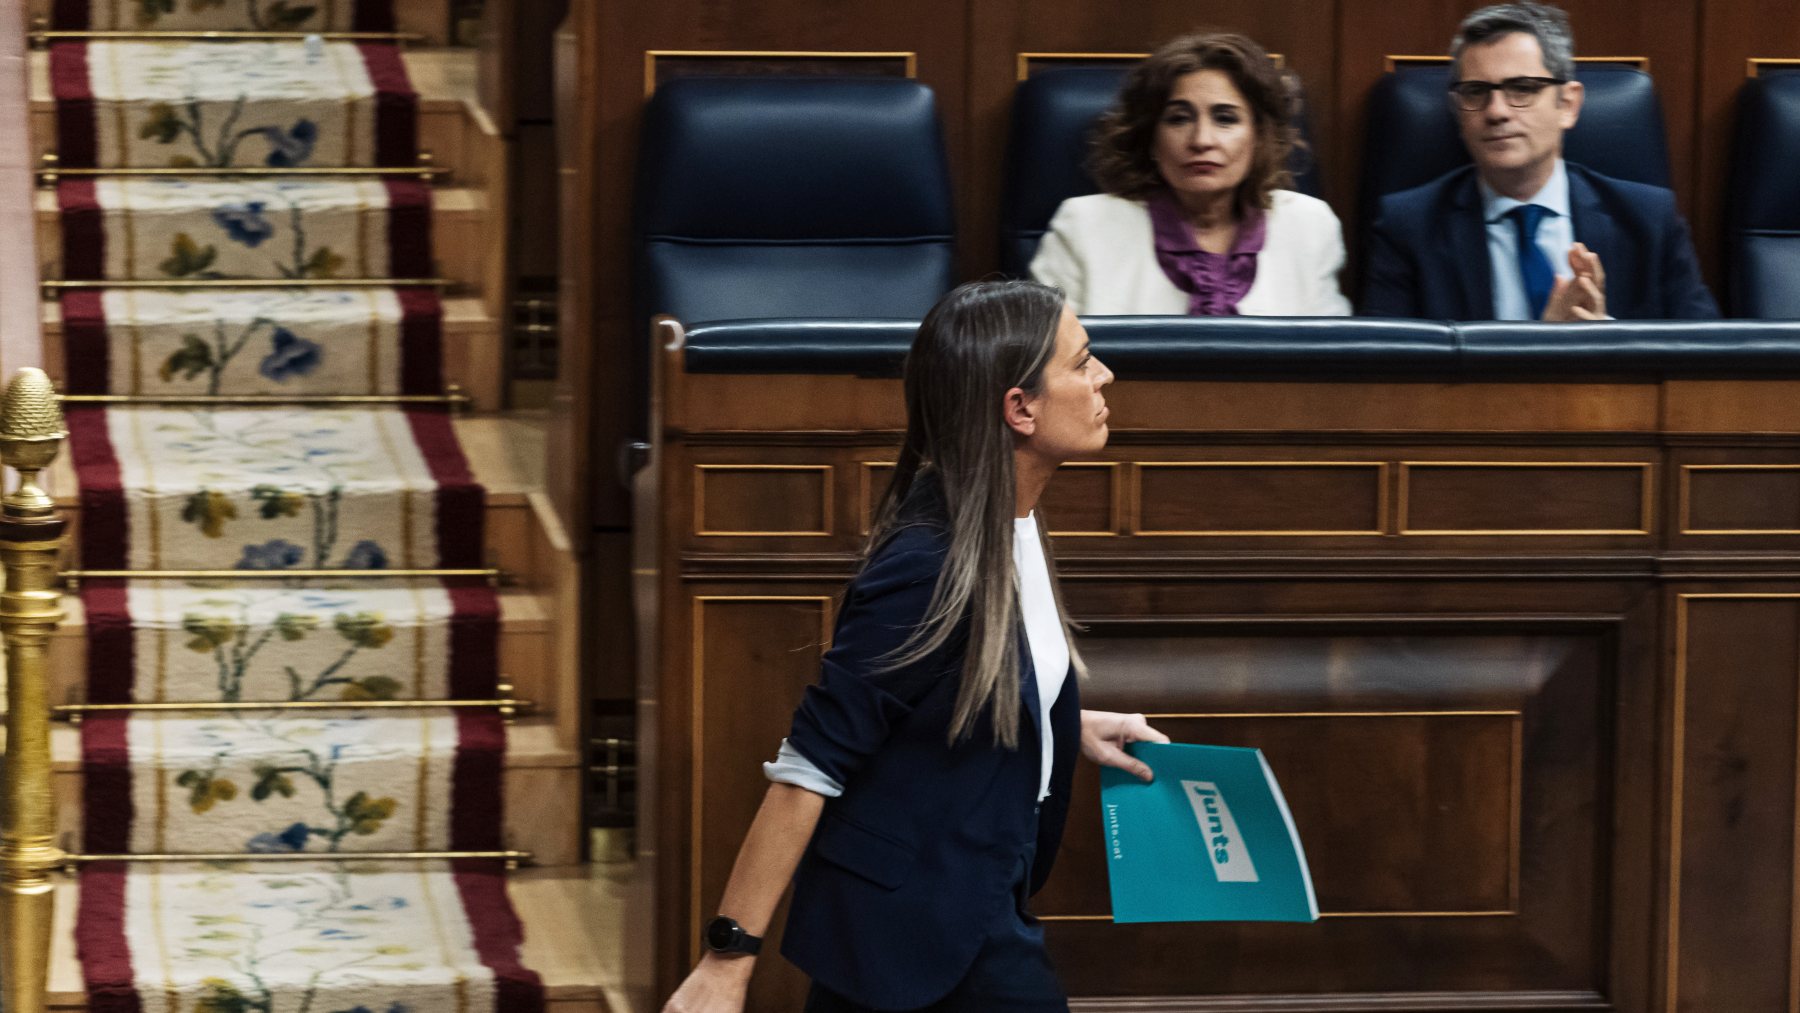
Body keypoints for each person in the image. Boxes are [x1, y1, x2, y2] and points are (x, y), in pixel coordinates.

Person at [661, 280, 1169, 1013]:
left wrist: (1066, 724)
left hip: (965, 901)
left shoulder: (1013, 519)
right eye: (1083, 361)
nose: (1104, 376)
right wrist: (725, 959)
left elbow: (953, 686)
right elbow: (812, 763)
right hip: (914, 927)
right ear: (1019, 408)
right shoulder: (928, 563)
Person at [1361, 2, 1719, 320]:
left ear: (1568, 105)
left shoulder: (1648, 221)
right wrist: (1549, 343)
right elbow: (1388, 380)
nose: (1497, 111)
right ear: (1458, 111)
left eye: (1522, 89)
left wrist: (1608, 343)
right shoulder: (1408, 228)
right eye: (1476, 92)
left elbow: (1705, 364)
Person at [1029, 33, 1351, 317]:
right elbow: (1047, 368)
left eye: (1225, 119)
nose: (1201, 140)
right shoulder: (1083, 227)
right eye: (1178, 119)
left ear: (1260, 136)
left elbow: (1333, 372)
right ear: (1151, 136)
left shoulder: (1310, 227)